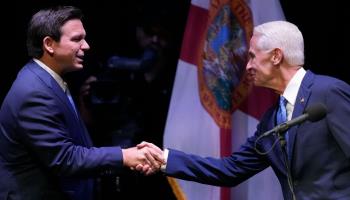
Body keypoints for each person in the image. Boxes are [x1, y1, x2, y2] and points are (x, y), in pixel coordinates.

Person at [138, 20, 350, 200]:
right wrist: (163, 159)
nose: (247, 66)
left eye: (252, 56)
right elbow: (229, 170)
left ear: (276, 56)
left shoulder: (329, 93)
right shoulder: (272, 119)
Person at [0, 6, 163, 200]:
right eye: (77, 39)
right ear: (49, 44)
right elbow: (64, 159)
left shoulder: (48, 78)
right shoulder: (34, 92)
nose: (86, 46)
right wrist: (124, 156)